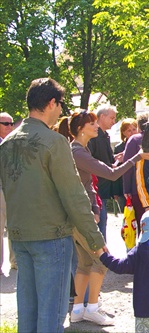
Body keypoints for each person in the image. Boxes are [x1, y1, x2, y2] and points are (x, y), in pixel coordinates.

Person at [0, 78, 106, 332]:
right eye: (60, 105)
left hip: (19, 237)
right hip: (51, 237)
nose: (61, 111)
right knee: (51, 316)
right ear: (50, 103)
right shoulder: (54, 142)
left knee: (28, 311)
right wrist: (96, 241)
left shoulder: (7, 142)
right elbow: (74, 196)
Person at [58, 111, 149, 325]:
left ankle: (77, 309)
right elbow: (111, 174)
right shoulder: (77, 151)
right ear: (81, 129)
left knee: (85, 263)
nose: (96, 126)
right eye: (92, 123)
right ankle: (92, 307)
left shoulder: (79, 150)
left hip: (80, 213)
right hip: (80, 215)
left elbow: (92, 179)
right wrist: (137, 157)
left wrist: (94, 206)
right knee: (102, 260)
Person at [123, 112, 149, 226]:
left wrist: (127, 189)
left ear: (139, 126)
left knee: (144, 225)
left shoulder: (134, 140)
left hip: (139, 188)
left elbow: (128, 165)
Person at [88, 104, 120, 241]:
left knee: (102, 223)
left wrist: (116, 159)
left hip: (103, 189)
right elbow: (91, 161)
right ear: (102, 116)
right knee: (100, 225)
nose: (114, 121)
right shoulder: (93, 137)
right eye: (112, 118)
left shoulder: (105, 136)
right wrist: (110, 165)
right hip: (96, 189)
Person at [0, 112, 17, 274]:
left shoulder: (13, 143)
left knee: (15, 226)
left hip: (14, 191)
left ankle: (15, 262)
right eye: (6, 123)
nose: (10, 127)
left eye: (11, 123)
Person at [112, 118, 138, 211]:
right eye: (129, 130)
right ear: (123, 133)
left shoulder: (142, 144)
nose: (132, 133)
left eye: (134, 129)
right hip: (123, 184)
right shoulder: (119, 147)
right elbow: (116, 168)